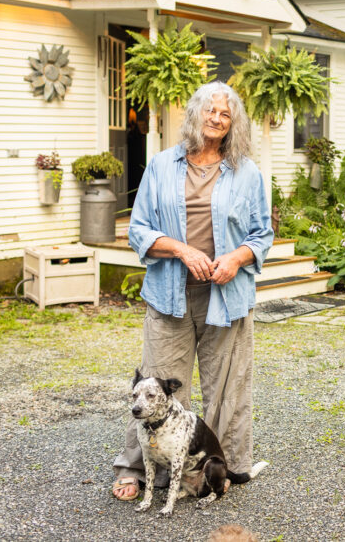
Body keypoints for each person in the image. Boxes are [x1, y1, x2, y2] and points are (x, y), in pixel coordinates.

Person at [112, 80, 273, 501]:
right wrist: (182, 250)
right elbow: (139, 230)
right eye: (211, 111)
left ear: (233, 123)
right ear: (195, 114)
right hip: (169, 293)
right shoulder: (162, 165)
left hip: (228, 295)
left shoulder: (247, 171)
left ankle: (224, 467)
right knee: (153, 387)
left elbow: (261, 234)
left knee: (228, 386)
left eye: (226, 114)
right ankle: (136, 470)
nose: (218, 119)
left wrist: (236, 258)